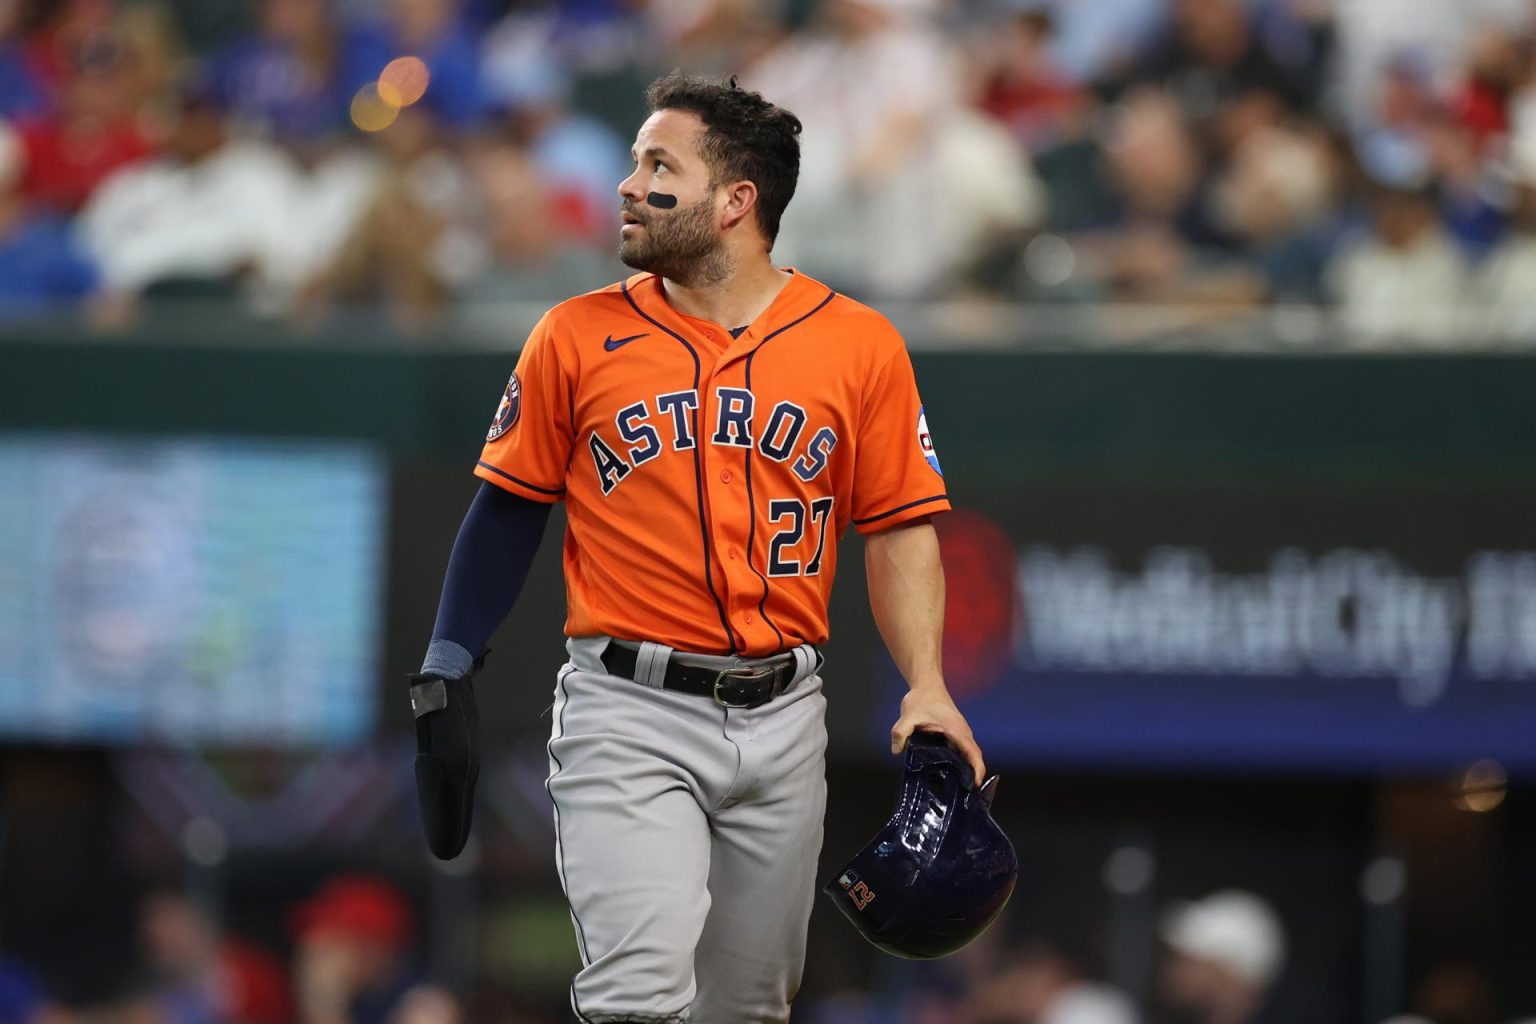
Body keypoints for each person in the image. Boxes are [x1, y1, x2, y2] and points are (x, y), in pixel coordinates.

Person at [408, 71, 985, 1024]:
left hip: (787, 714)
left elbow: (898, 527)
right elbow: (510, 505)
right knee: (637, 998)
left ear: (735, 202)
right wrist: (447, 657)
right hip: (627, 710)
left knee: (749, 1009)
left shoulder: (860, 344)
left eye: (657, 164)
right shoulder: (574, 333)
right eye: (635, 162)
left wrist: (926, 681)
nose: (628, 184)